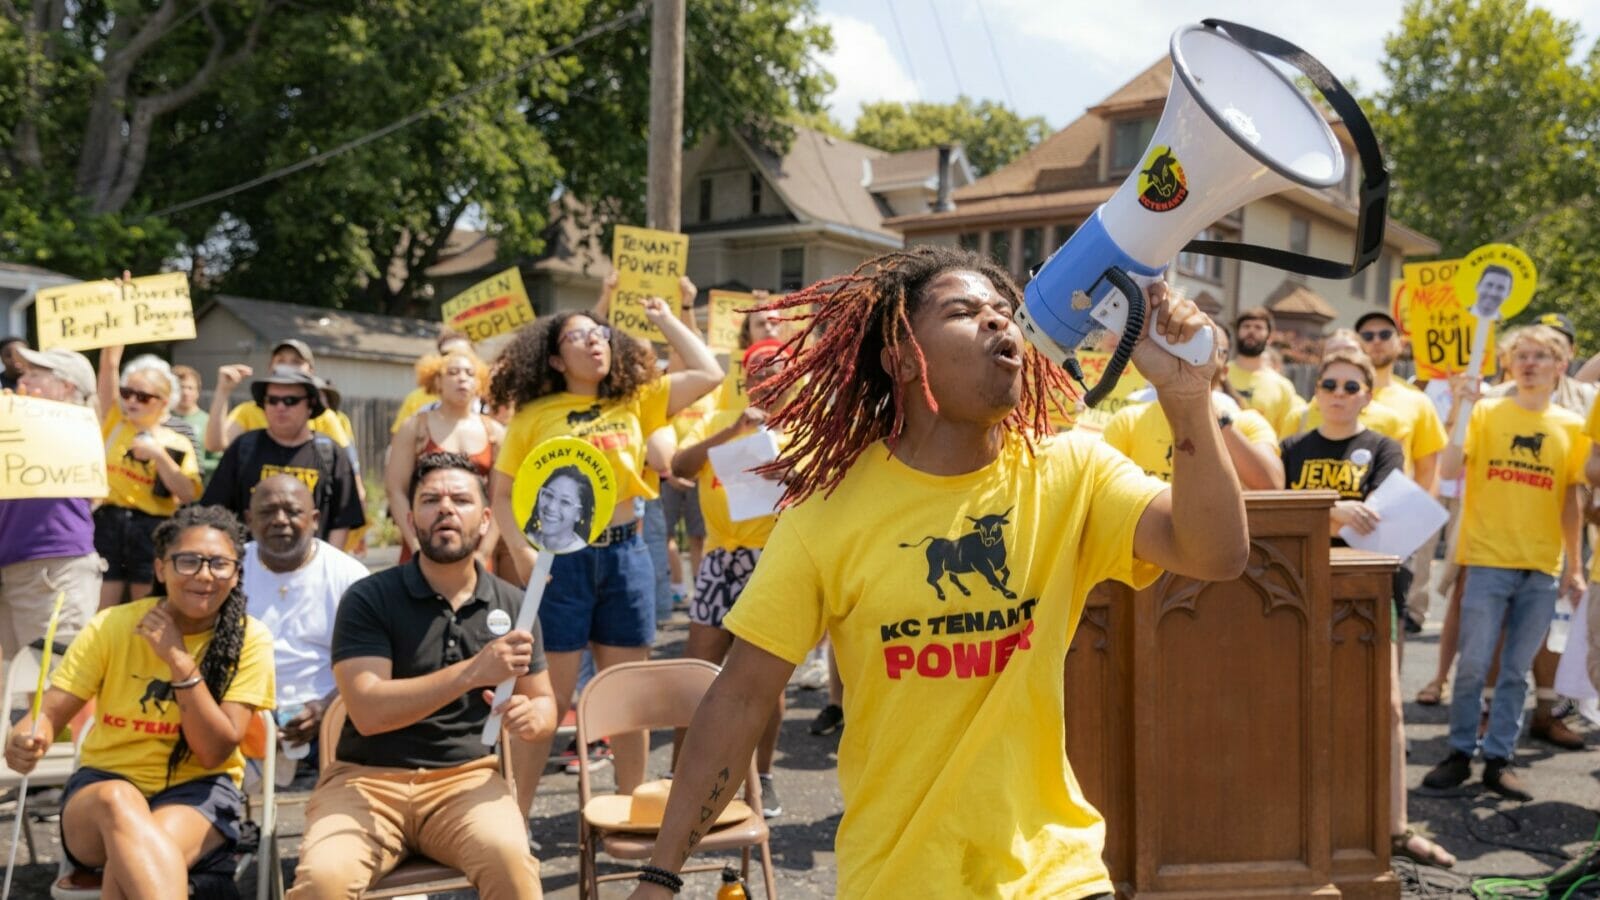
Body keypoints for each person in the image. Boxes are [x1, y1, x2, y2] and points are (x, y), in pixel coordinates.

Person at [625, 246, 1247, 899]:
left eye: (1005, 313)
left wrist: (1187, 397)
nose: (999, 323)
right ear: (898, 355)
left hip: (1055, 873)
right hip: (898, 878)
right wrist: (661, 876)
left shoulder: (1074, 470)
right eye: (965, 311)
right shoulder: (823, 517)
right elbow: (740, 699)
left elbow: (1215, 554)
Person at [287, 453, 555, 898]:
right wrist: (473, 672)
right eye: (431, 500)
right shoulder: (369, 598)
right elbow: (368, 711)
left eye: (461, 499)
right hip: (364, 782)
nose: (446, 508)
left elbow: (545, 702)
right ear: (411, 520)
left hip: (467, 780)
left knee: (512, 864)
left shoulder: (513, 605)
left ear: (486, 519)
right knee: (322, 881)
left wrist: (534, 716)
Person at [488, 291, 723, 797]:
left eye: (601, 335)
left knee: (629, 701)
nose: (595, 343)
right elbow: (503, 494)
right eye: (579, 336)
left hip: (625, 555)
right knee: (547, 698)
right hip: (560, 563)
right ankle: (516, 818)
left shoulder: (636, 400)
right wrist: (524, 553)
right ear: (554, 358)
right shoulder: (533, 415)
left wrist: (666, 318)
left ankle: (631, 809)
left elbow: (709, 374)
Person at [4, 505, 275, 897]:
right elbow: (48, 713)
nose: (203, 574)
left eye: (218, 563)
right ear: (161, 569)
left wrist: (178, 660)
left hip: (199, 791)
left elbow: (214, 751)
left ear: (236, 574)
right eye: (187, 561)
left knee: (130, 861)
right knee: (119, 801)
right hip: (99, 794)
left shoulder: (251, 639)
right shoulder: (112, 625)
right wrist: (28, 736)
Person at [1281, 350, 1453, 865]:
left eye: (1351, 387)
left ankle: (1396, 829)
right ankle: (1301, 822)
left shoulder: (1383, 448)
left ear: (1368, 396)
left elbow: (1375, 518)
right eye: (1329, 384)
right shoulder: (1289, 447)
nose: (1338, 393)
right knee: (1302, 703)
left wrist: (1323, 515)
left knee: (1389, 707)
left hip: (1373, 592)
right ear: (1315, 391)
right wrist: (1333, 511)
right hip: (1302, 589)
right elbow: (1277, 509)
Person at [1423, 325, 1589, 801]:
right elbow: (1451, 469)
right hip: (1488, 558)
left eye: (1541, 356)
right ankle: (1459, 751)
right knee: (1474, 663)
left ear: (1560, 366)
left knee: (1516, 669)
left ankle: (1500, 758)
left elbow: (1570, 501)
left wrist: (1573, 565)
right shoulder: (1486, 412)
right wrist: (1460, 408)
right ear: (1509, 364)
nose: (1531, 363)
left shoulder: (1570, 425)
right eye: (1522, 356)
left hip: (1541, 564)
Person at [668, 341, 792, 818]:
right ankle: (678, 773)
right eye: (757, 368)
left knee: (766, 679)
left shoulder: (805, 429)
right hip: (721, 560)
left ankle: (761, 777)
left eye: (775, 366)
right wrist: (734, 430)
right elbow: (680, 467)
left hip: (774, 560)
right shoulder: (721, 417)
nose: (765, 375)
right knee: (696, 671)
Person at [241, 475, 369, 769]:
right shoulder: (229, 570)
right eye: (267, 512)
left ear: (314, 519)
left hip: (332, 715)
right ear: (248, 519)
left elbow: (370, 661)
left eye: (292, 511)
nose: (280, 520)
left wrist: (329, 706)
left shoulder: (350, 576)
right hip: (246, 715)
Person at [0, 347, 104, 664]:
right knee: (14, 687)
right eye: (24, 375)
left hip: (53, 570)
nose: (23, 383)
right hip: (12, 568)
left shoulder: (80, 433)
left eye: (35, 376)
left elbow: (95, 497)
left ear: (67, 387)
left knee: (54, 682)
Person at [201, 368, 366, 548]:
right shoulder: (243, 448)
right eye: (272, 400)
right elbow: (217, 511)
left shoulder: (331, 453)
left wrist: (327, 567)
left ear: (310, 405)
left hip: (311, 565)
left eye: (290, 401)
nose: (280, 407)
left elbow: (341, 521)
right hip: (250, 566)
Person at [1103, 330, 1285, 490]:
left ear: (1224, 372)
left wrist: (1217, 419)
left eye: (1211, 350)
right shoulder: (1128, 421)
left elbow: (1272, 484)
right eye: (1186, 346)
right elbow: (1103, 485)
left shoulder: (1248, 423)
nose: (1195, 358)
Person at [95, 346, 203, 608]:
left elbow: (188, 492)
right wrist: (112, 352)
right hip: (109, 521)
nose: (132, 400)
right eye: (127, 393)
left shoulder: (176, 440)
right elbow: (108, 373)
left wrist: (159, 455)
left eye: (143, 396)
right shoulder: (116, 423)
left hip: (151, 526)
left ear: (164, 403)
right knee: (103, 610)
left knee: (146, 609)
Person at [385, 349, 503, 565]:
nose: (462, 378)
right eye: (453, 372)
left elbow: (501, 497)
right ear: (437, 381)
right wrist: (416, 545)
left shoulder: (495, 433)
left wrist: (485, 551)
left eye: (470, 373)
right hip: (424, 540)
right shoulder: (414, 427)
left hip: (475, 549)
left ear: (479, 383)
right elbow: (395, 490)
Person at [204, 339, 354, 454]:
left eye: (296, 361)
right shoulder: (248, 411)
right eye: (281, 360)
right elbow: (215, 445)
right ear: (271, 367)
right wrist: (223, 391)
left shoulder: (322, 416)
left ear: (310, 371)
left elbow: (345, 461)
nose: (288, 366)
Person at [1227, 307, 1304, 440]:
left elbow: (1286, 437)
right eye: (1246, 326)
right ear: (1237, 332)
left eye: (1258, 327)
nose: (1251, 331)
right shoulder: (1219, 374)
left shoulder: (1282, 386)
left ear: (1270, 337)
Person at [390, 331, 476, 433]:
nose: (455, 359)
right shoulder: (416, 399)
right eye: (447, 354)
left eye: (463, 354)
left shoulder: (489, 401)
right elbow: (399, 438)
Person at [525, 467, 595, 554]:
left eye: (565, 502)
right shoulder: (528, 539)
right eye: (549, 495)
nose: (551, 507)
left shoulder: (581, 556)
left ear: (579, 514)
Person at [171, 365, 222, 483]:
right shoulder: (162, 418)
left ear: (198, 392)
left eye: (190, 388)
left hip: (198, 490)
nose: (185, 392)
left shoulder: (208, 421)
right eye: (181, 387)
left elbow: (218, 461)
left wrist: (190, 465)